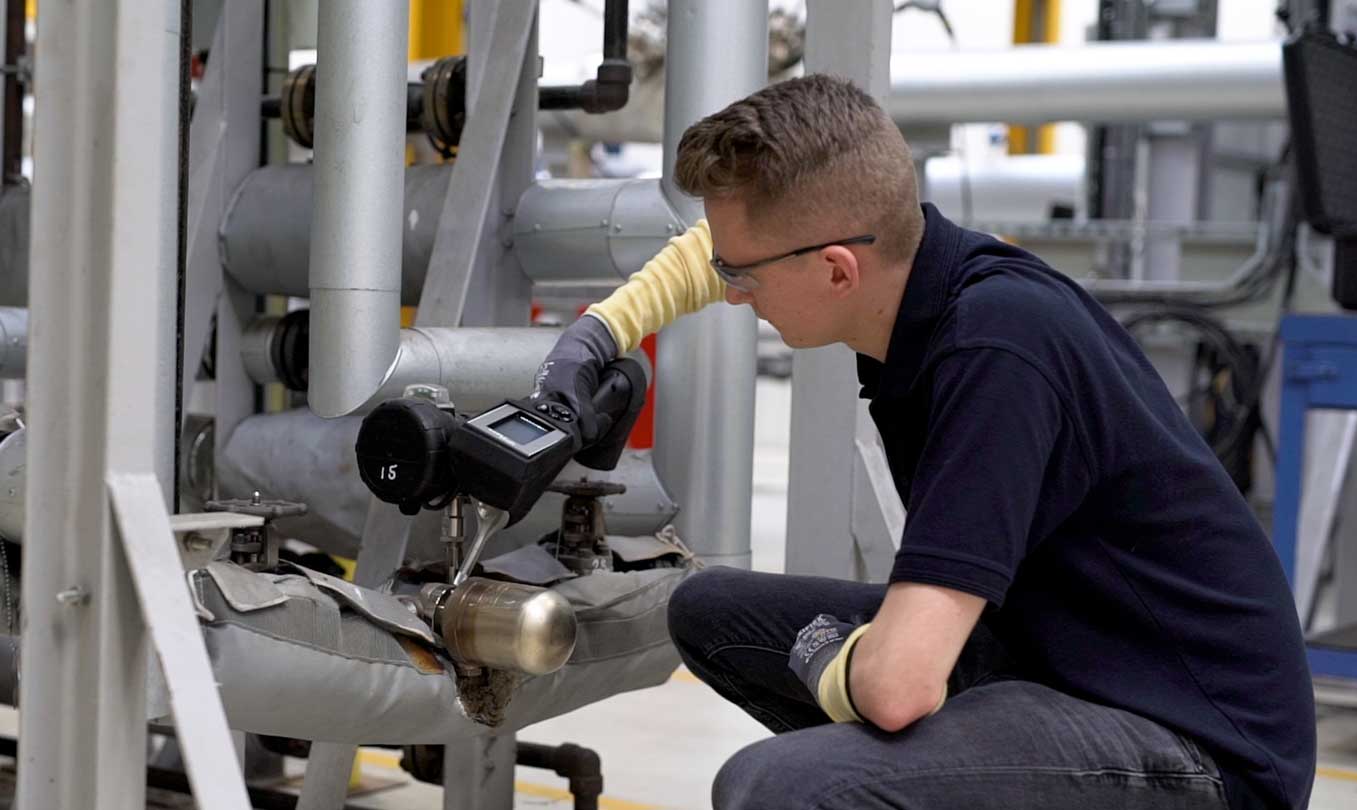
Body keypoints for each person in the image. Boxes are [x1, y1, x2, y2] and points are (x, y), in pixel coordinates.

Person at [532, 74, 1315, 810]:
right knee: (709, 610)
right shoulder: (928, 280)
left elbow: (898, 690)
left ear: (838, 272)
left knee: (780, 789)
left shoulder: (996, 352)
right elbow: (714, 262)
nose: (732, 295)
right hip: (1063, 656)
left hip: (1197, 744)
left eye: (743, 277)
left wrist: (867, 670)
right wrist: (600, 333)